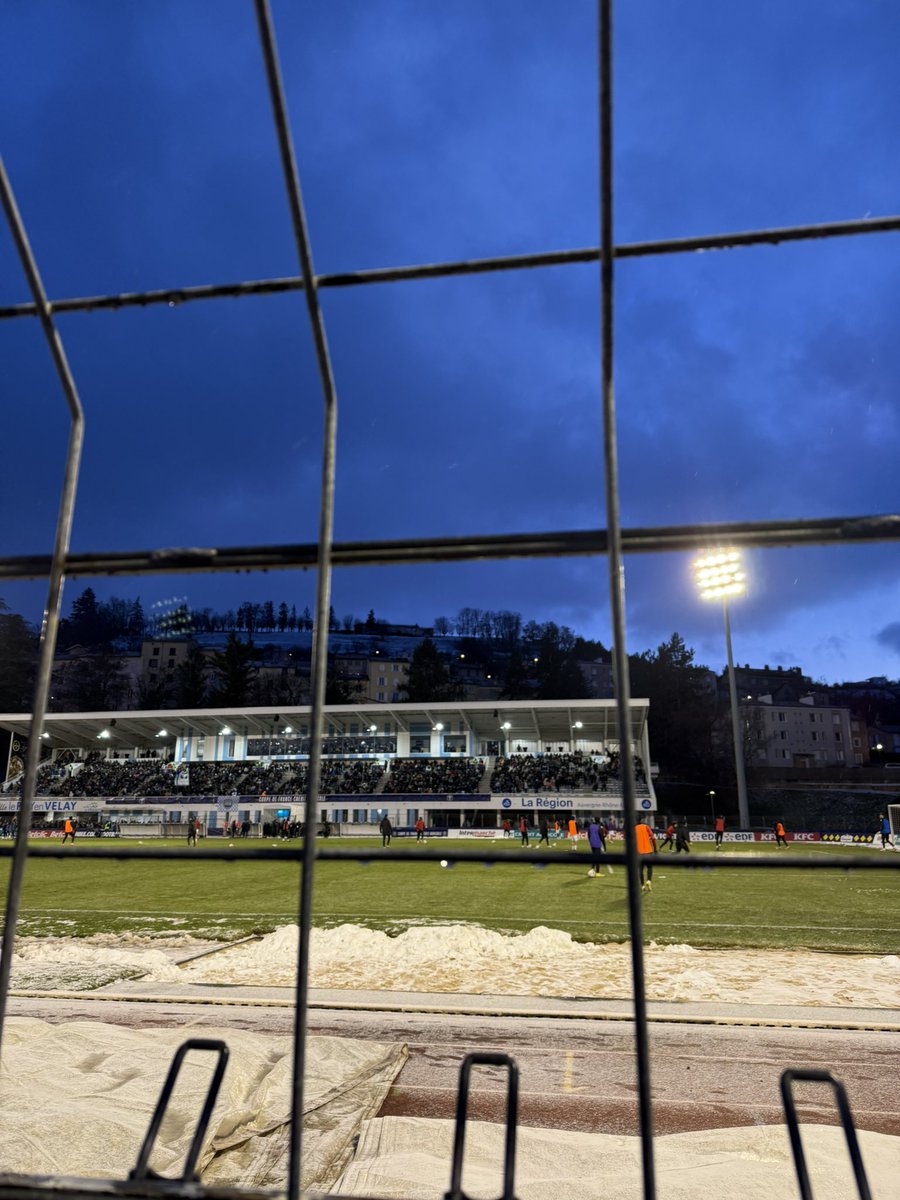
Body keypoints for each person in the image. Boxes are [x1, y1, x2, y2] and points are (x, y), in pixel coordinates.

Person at [635, 817, 657, 892]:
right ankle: (649, 880)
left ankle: (642, 886)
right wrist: (655, 849)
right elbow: (653, 838)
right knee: (650, 867)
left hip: (639, 852)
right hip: (648, 851)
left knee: (640, 869)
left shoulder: (634, 828)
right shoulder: (646, 827)